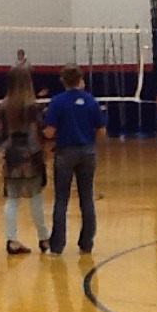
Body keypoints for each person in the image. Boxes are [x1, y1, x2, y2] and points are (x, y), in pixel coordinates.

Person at [42, 63, 106, 255]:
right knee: (87, 197)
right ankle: (86, 244)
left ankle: (57, 246)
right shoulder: (91, 101)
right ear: (80, 79)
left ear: (63, 81)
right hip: (88, 152)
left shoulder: (57, 102)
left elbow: (49, 132)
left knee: (61, 199)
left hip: (65, 152)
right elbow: (101, 131)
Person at [0, 67, 48, 255]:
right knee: (36, 198)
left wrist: (2, 153)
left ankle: (11, 240)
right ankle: (44, 238)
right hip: (30, 156)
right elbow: (37, 133)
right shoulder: (32, 106)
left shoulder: (4, 106)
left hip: (11, 156)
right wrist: (41, 154)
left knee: (12, 199)